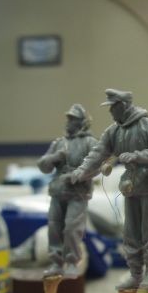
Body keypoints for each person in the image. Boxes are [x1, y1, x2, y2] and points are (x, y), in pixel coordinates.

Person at [71, 89, 148, 290]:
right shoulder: (113, 131)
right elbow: (98, 152)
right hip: (131, 184)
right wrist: (83, 170)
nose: (111, 112)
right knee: (131, 231)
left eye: (113, 108)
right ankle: (135, 272)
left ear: (123, 106)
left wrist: (137, 156)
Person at [38, 104, 98, 279]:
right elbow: (43, 166)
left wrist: (75, 176)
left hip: (78, 192)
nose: (68, 122)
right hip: (58, 191)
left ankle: (72, 261)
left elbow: (97, 166)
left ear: (82, 122)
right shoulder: (59, 143)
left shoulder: (90, 142)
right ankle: (56, 262)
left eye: (73, 119)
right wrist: (54, 158)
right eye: (68, 118)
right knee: (54, 226)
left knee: (72, 227)